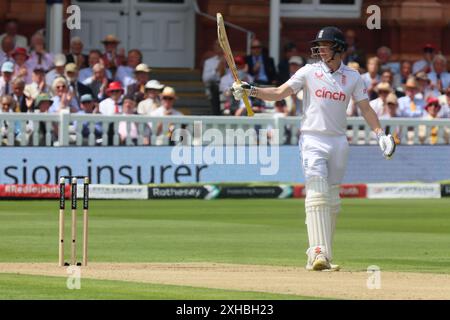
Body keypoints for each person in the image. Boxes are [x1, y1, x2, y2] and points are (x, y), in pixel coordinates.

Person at [231, 26, 395, 271]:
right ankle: (316, 252)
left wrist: (380, 133)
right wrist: (251, 90)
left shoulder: (352, 77)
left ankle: (324, 256)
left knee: (332, 199)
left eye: (325, 45)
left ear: (338, 48)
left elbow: (366, 108)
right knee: (317, 191)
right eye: (318, 46)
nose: (319, 50)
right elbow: (279, 92)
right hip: (312, 139)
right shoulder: (308, 72)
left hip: (339, 141)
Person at [202, 40, 226, 115]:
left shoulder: (231, 61)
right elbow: (205, 79)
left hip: (229, 86)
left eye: (222, 44)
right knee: (214, 88)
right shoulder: (209, 62)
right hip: (216, 86)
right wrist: (216, 69)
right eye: (218, 45)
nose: (220, 47)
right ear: (214, 47)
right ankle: (216, 114)